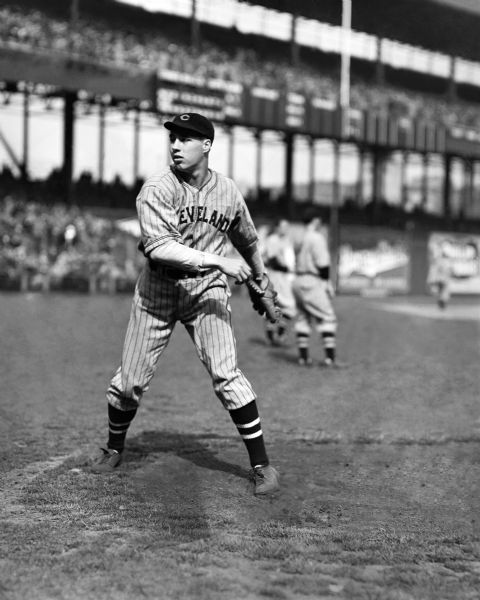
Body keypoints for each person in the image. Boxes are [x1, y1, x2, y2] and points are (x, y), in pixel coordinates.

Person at [91, 112, 279, 496]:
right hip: (158, 290)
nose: (175, 145)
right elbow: (160, 248)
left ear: (206, 145)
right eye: (173, 138)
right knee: (129, 383)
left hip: (207, 291)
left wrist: (260, 279)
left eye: (185, 139)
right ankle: (114, 447)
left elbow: (246, 240)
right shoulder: (157, 188)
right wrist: (220, 261)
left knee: (227, 375)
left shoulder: (227, 191)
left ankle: (262, 466)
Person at [292, 212, 342, 368]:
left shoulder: (299, 237)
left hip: (298, 280)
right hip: (311, 281)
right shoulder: (316, 237)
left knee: (303, 319)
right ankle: (330, 359)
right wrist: (327, 283)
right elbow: (323, 264)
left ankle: (303, 358)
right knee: (327, 317)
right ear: (316, 220)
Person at [261, 218, 296, 345]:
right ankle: (272, 334)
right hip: (275, 278)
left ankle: (280, 331)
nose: (285, 229)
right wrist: (286, 268)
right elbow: (272, 259)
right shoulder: (273, 240)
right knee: (276, 305)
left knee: (287, 307)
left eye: (287, 226)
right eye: (283, 226)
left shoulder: (286, 241)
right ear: (277, 227)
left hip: (284, 279)